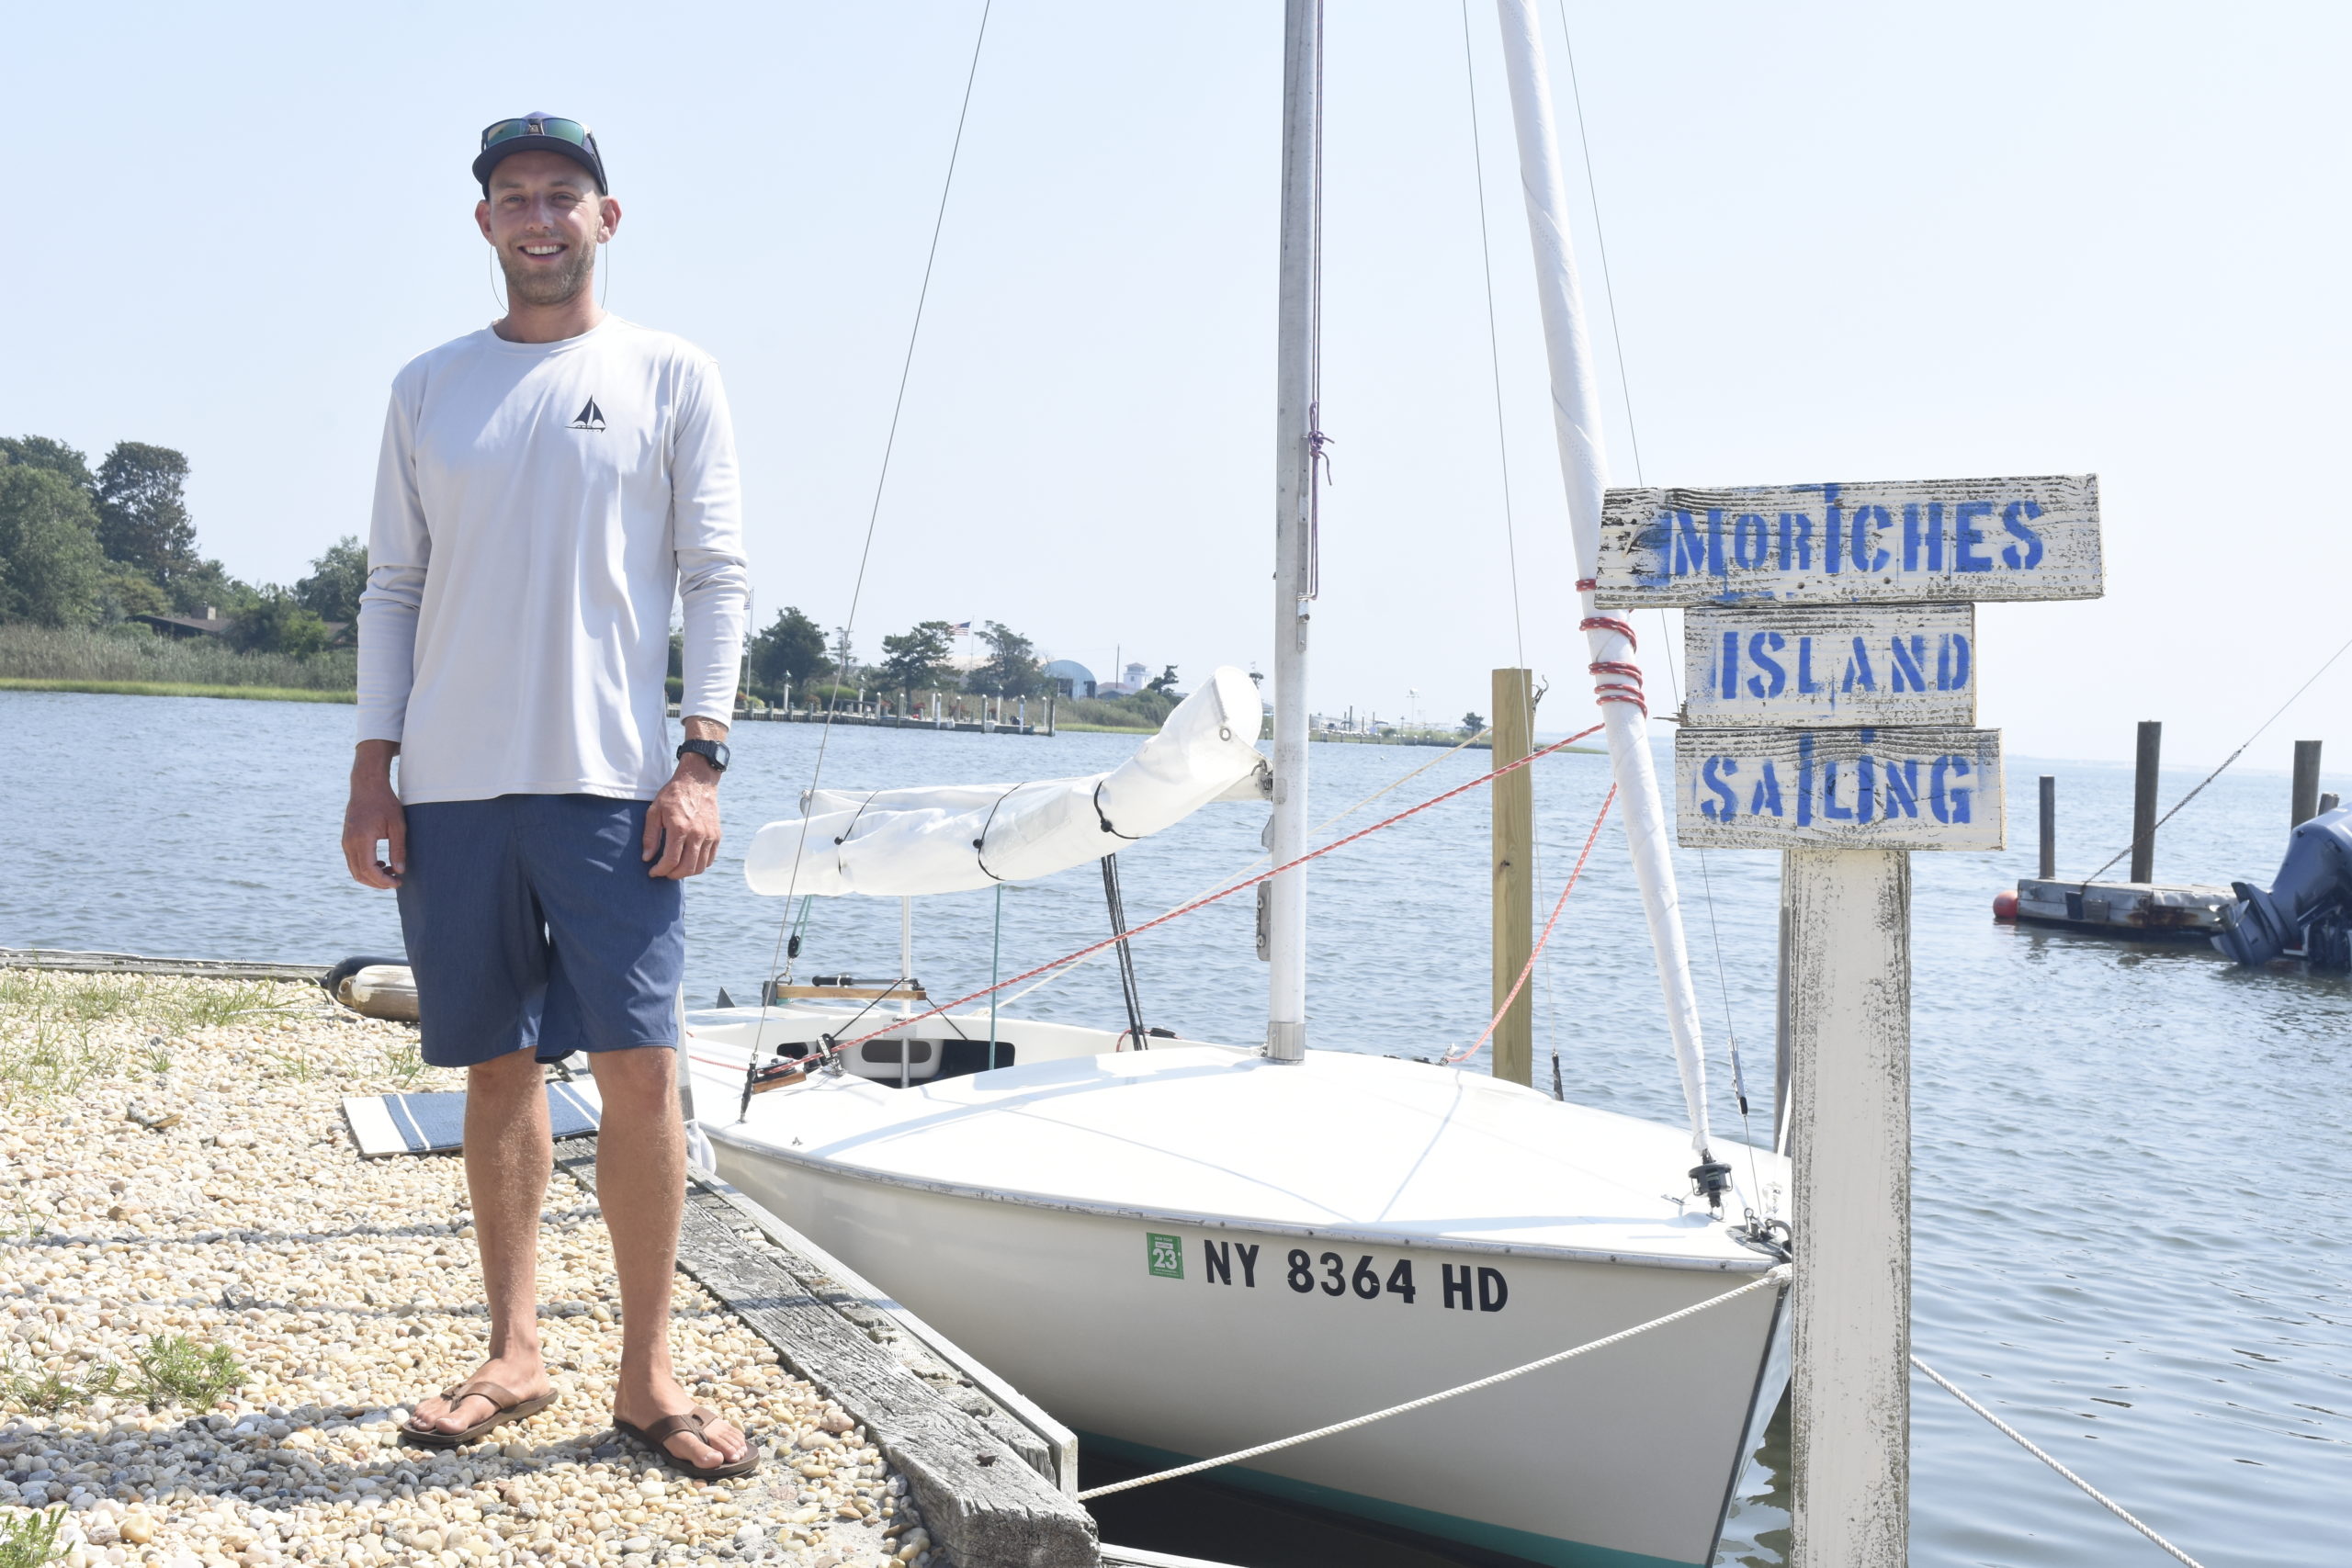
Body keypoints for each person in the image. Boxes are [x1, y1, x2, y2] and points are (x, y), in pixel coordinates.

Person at [339, 114, 757, 1479]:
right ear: (484, 225)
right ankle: (514, 1352)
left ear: (606, 217)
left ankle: (646, 1377)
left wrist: (701, 754)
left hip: (615, 785)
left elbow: (717, 575)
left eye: (561, 195)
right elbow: (392, 586)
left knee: (642, 1069)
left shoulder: (669, 374)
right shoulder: (428, 387)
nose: (538, 216)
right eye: (514, 197)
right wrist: (372, 767)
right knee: (495, 1066)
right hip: (451, 788)